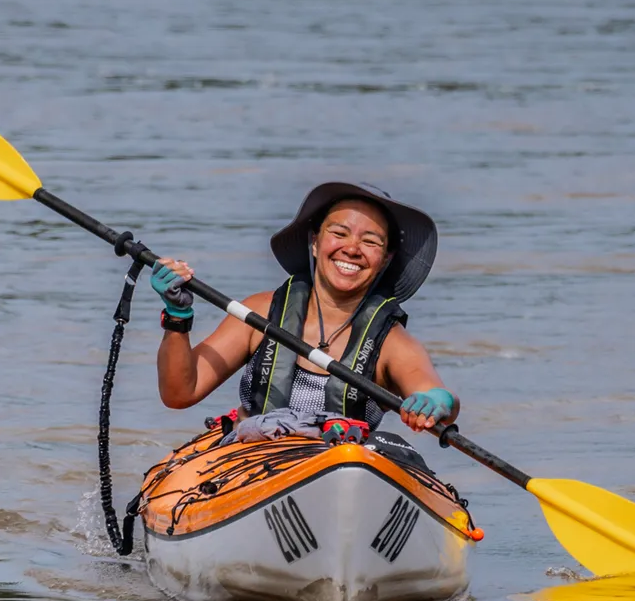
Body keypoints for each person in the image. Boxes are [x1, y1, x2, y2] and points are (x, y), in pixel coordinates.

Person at [149, 183, 459, 449]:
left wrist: (438, 402)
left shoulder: (392, 343)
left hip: (341, 470)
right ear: (314, 241)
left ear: (385, 258)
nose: (352, 249)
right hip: (250, 462)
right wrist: (178, 317)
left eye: (370, 241)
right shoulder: (259, 313)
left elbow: (434, 393)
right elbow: (179, 393)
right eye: (339, 233)